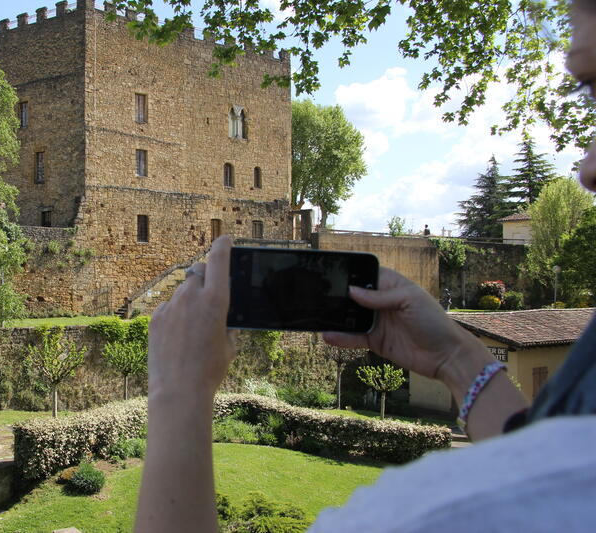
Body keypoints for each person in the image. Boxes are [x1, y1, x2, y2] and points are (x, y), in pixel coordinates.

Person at [134, 1, 596, 531]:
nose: (585, 168)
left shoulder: (435, 513)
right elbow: (539, 462)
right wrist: (456, 356)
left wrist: (177, 396)